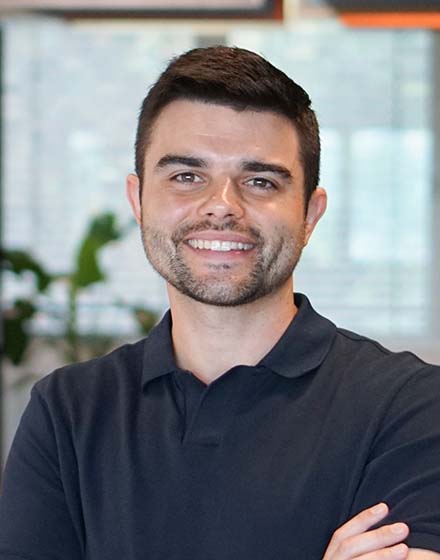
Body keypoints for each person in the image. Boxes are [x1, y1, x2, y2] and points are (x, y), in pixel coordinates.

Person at [0, 46, 439, 560]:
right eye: (186, 176)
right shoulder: (69, 414)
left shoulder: (411, 409)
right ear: (139, 201)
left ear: (310, 214)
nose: (222, 206)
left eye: (260, 181)